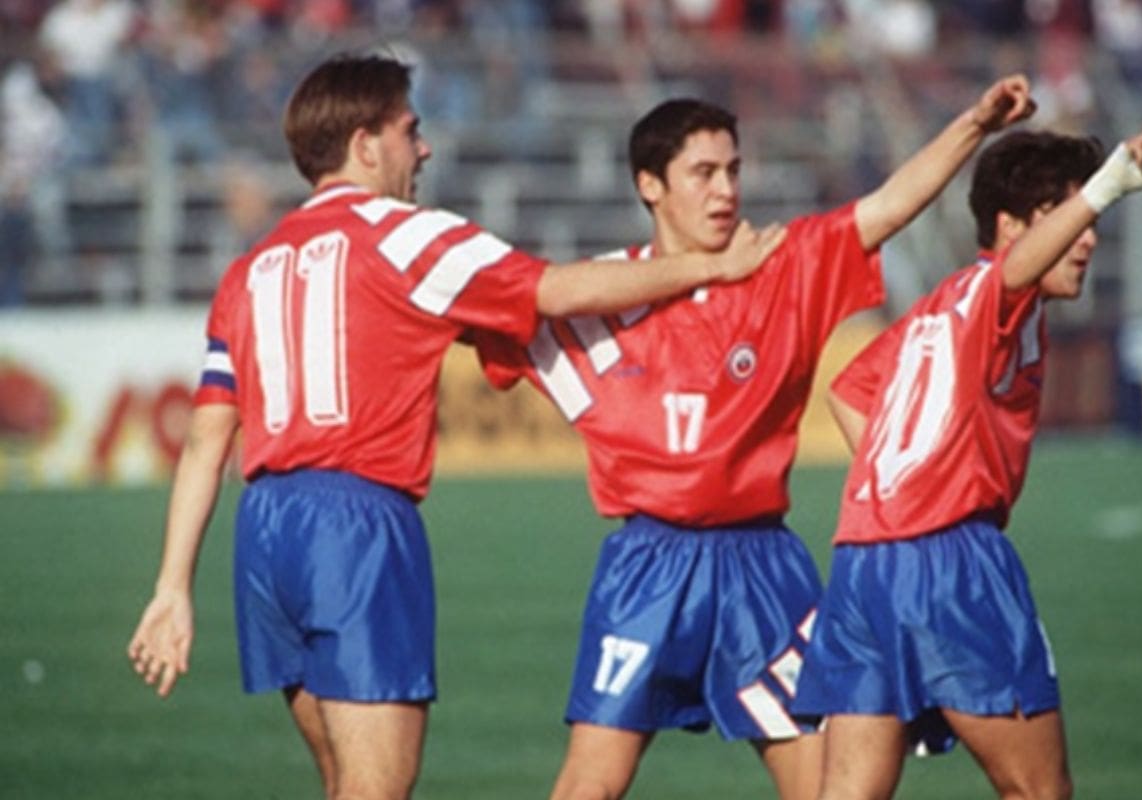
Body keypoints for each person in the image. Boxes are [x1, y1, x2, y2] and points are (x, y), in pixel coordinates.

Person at [124, 52, 786, 800]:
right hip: (356, 525)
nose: (425, 147)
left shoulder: (250, 269)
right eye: (412, 130)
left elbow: (210, 438)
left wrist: (172, 587)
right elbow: (557, 291)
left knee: (342, 782)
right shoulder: (407, 235)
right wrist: (711, 270)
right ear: (366, 145)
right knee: (376, 788)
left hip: (265, 533)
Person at [470, 76, 1037, 799]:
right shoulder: (597, 293)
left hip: (764, 567)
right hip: (649, 565)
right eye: (703, 173)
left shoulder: (785, 264)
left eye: (733, 170)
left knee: (826, 782)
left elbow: (889, 207)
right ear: (650, 186)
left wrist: (974, 123)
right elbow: (476, 305)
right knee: (591, 784)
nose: (725, 190)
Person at [791, 99, 1142, 800]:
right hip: (950, 567)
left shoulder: (938, 307)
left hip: (864, 562)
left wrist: (899, 491)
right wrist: (1108, 186)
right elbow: (1012, 271)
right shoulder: (990, 293)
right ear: (1009, 228)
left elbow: (850, 392)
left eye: (1089, 221)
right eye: (1068, 220)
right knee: (1038, 790)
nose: (1088, 239)